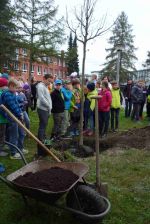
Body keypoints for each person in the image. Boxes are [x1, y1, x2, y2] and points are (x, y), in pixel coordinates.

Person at [0, 78, 24, 159]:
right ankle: (13, 153)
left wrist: (20, 113)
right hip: (11, 117)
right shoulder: (7, 94)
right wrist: (19, 114)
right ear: (10, 86)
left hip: (16, 115)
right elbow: (13, 106)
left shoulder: (12, 93)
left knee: (20, 132)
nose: (17, 90)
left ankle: (19, 149)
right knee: (14, 135)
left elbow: (16, 104)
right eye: (16, 88)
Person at [36, 74, 52, 156]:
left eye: (50, 81)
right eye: (48, 80)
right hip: (42, 109)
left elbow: (47, 97)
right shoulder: (40, 86)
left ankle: (42, 137)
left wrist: (49, 107)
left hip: (46, 109)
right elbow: (42, 98)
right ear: (44, 79)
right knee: (42, 125)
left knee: (44, 124)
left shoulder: (45, 86)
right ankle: (40, 140)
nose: (50, 83)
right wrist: (48, 106)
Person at [0, 77, 9, 157]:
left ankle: (2, 147)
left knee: (2, 134)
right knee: (1, 134)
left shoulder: (2, 93)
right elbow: (2, 108)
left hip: (2, 118)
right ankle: (0, 150)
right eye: (5, 85)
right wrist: (6, 115)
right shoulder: (1, 94)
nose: (6, 87)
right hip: (1, 119)